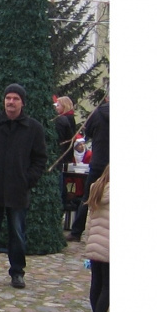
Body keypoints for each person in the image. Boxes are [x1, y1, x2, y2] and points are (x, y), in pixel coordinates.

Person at [0, 84, 47, 288]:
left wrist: (28, 179)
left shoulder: (33, 128)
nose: (11, 102)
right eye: (8, 98)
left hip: (18, 191)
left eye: (15, 98)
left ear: (22, 102)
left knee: (18, 234)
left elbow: (40, 159)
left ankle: (17, 272)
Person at [67, 95, 108, 241]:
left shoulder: (97, 114)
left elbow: (88, 133)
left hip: (98, 160)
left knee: (87, 198)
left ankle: (76, 231)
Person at [83, 165, 109, 312]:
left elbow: (89, 220)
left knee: (97, 283)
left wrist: (88, 240)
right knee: (109, 286)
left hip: (95, 243)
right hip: (109, 245)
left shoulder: (97, 187)